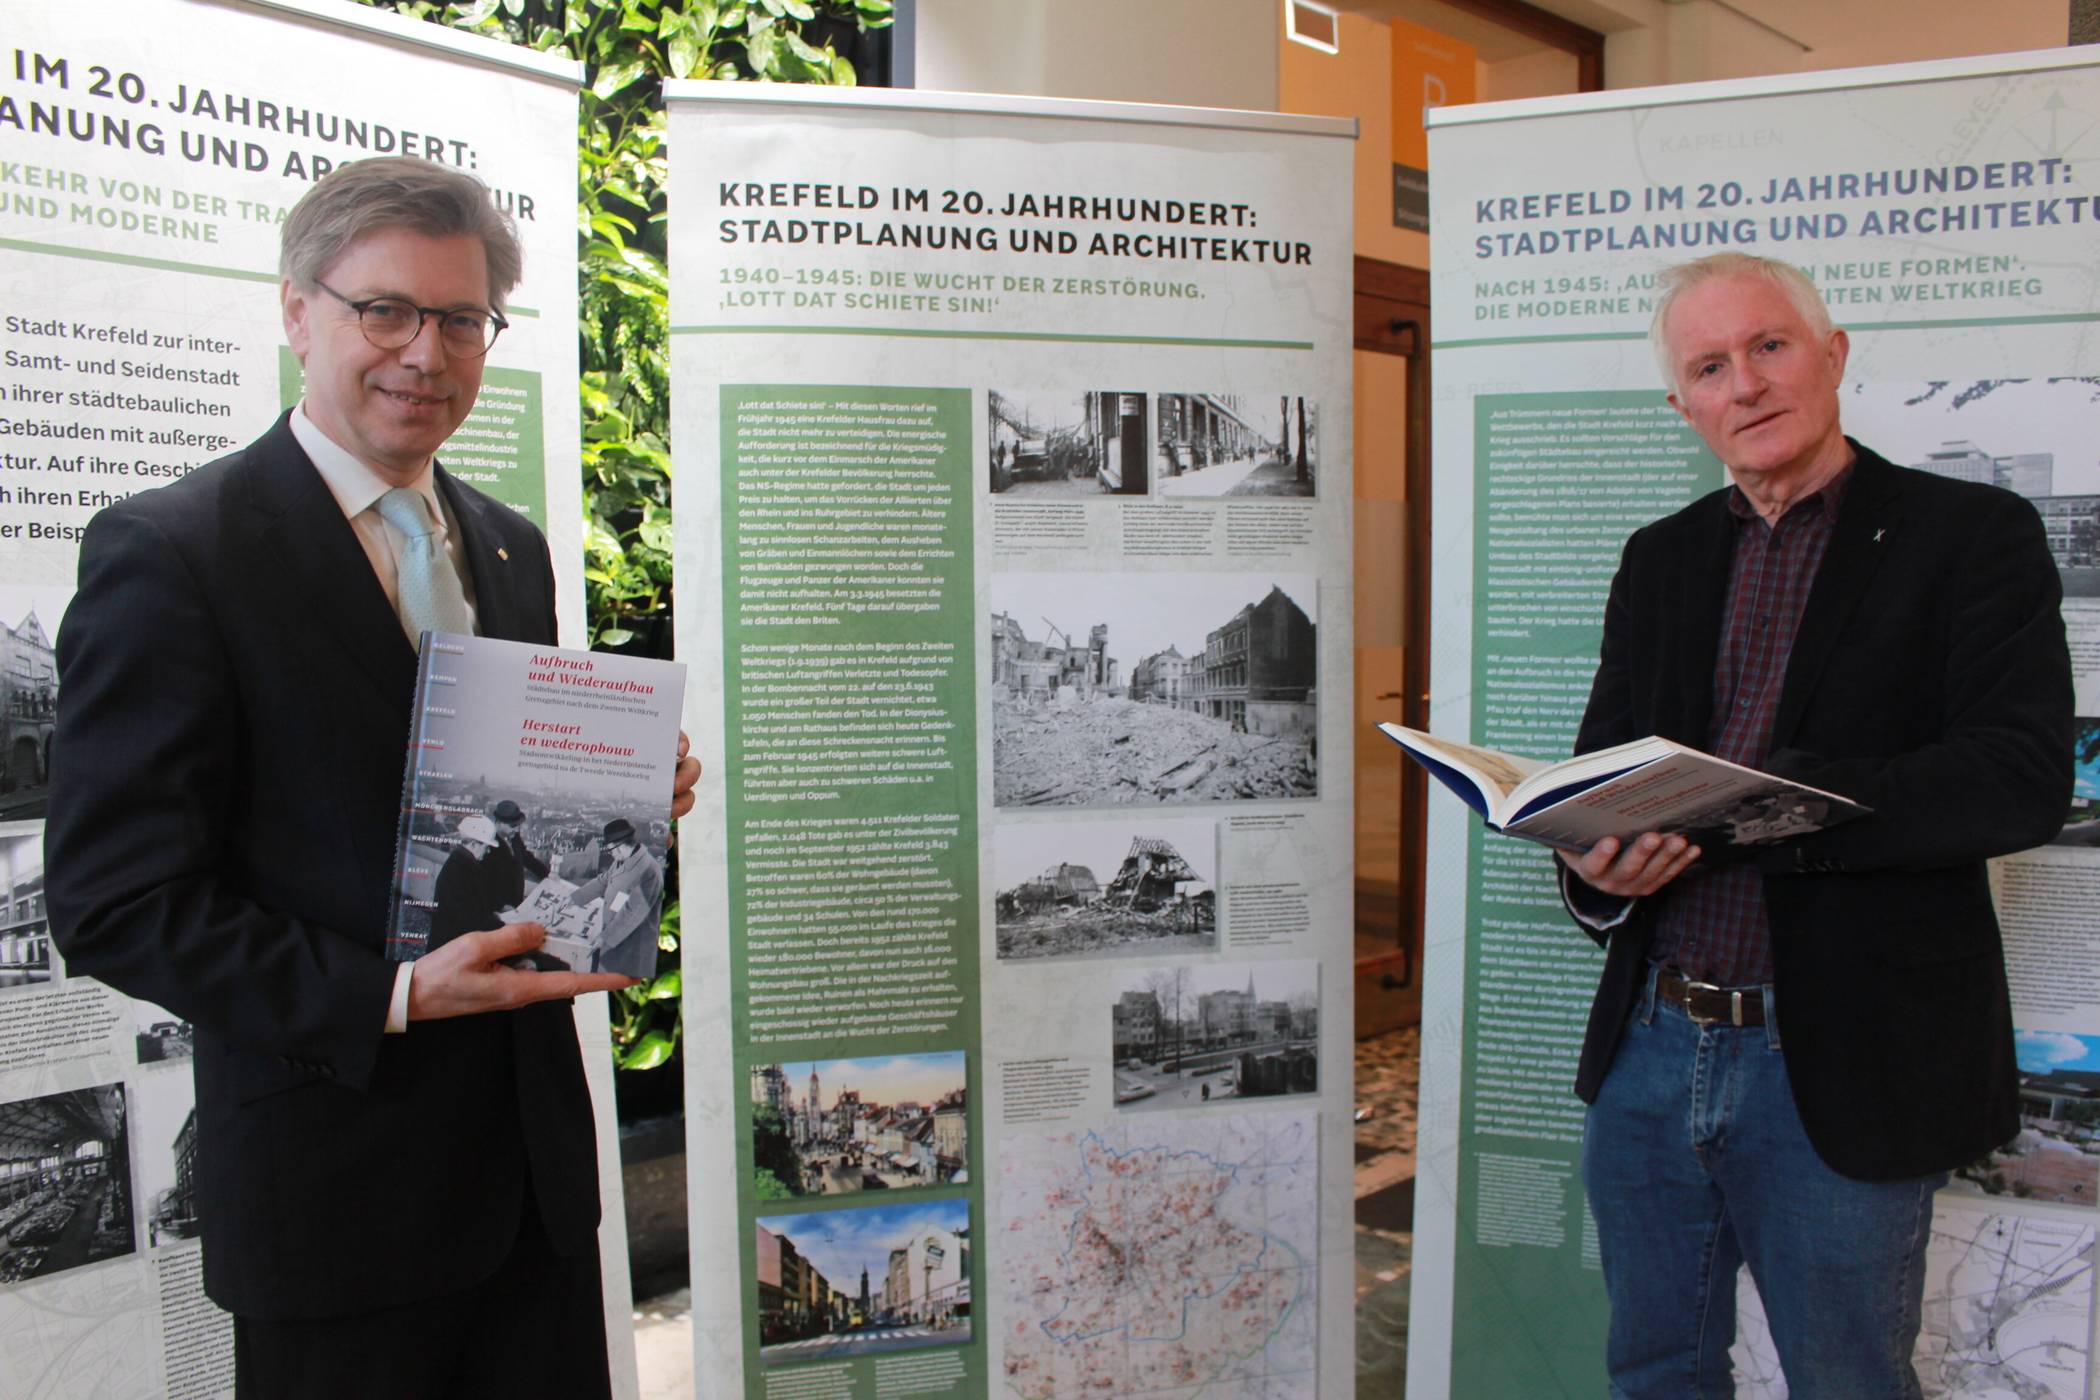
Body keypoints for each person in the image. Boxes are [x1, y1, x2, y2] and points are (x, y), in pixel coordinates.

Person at [43, 156, 700, 1399]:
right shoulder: (175, 553)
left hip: (535, 1194)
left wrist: (616, 786)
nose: (425, 354)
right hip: (337, 1207)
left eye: (461, 321)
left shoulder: (508, 544)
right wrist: (387, 994)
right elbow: (112, 900)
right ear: (299, 310)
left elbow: (490, 799)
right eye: (383, 310)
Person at [1554, 251, 2071, 1395]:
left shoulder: (1971, 536)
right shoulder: (1661, 558)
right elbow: (1608, 769)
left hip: (1841, 1056)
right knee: (1653, 1369)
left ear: (1831, 356)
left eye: (1769, 346)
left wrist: (1776, 805)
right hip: (1653, 1042)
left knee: (1847, 1377)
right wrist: (1597, 864)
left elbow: (2019, 775)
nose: (1744, 382)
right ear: (1683, 404)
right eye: (1709, 365)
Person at [561, 818, 665, 980]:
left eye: (610, 849)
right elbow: (603, 881)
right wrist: (576, 898)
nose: (610, 853)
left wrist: (605, 938)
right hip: (613, 935)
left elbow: (633, 913)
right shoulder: (622, 860)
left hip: (630, 945)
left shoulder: (649, 871)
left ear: (622, 845)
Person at [431, 814, 507, 950]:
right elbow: (471, 920)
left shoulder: (462, 864)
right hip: (452, 951)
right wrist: (505, 927)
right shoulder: (461, 870)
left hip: (452, 945)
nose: (489, 851)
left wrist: (499, 907)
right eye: (486, 846)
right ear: (473, 844)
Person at [483, 797, 550, 908]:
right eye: (513, 826)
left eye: (518, 825)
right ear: (499, 823)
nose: (517, 829)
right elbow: (484, 883)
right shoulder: (487, 844)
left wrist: (546, 874)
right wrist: (500, 905)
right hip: (498, 907)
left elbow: (525, 857)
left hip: (515, 903)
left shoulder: (513, 836)